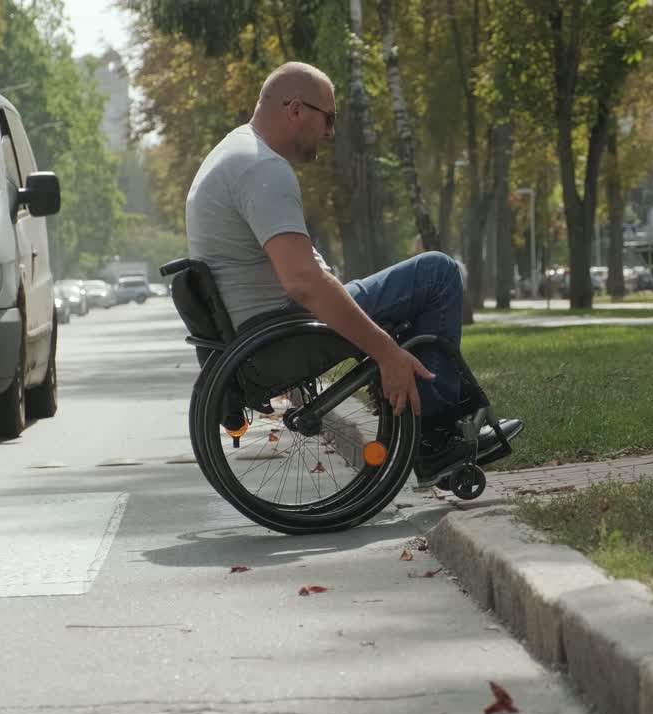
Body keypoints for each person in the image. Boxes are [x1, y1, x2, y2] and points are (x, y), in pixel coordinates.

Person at [184, 61, 522, 487]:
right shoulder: (261, 168)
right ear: (295, 109)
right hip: (281, 338)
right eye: (329, 118)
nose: (330, 132)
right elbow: (303, 282)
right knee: (437, 273)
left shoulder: (233, 152)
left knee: (409, 290)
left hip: (262, 335)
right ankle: (436, 438)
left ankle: (422, 422)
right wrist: (386, 352)